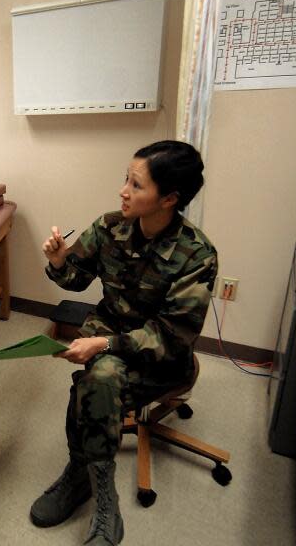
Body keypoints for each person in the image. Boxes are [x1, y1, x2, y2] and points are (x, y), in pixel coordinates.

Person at [32, 141, 217, 545]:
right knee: (98, 380)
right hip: (109, 332)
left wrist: (102, 344)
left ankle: (96, 491)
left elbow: (171, 336)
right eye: (125, 179)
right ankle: (83, 476)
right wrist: (61, 260)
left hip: (161, 357)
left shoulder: (196, 255)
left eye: (136, 184)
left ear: (169, 199)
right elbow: (76, 279)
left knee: (97, 380)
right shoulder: (109, 227)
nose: (123, 191)